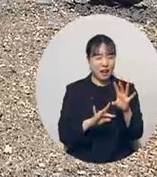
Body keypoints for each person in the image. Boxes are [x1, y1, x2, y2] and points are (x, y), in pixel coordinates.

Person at [58, 34, 143, 164]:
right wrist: (90, 122)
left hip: (119, 161)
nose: (105, 63)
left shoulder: (127, 89)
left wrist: (126, 111)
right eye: (98, 57)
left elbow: (136, 134)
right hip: (81, 160)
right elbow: (64, 135)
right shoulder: (74, 90)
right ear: (88, 59)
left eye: (110, 57)